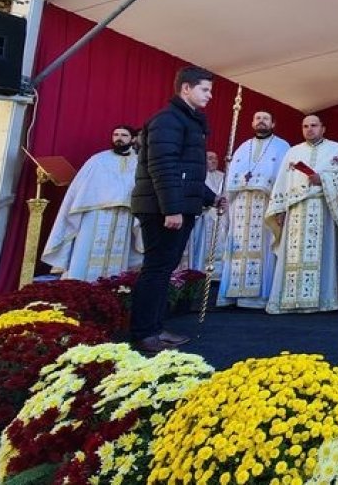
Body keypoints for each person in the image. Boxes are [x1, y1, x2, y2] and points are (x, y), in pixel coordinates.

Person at [130, 66, 225, 353]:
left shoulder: (186, 120)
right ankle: (144, 332)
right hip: (162, 209)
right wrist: (172, 209)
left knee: (164, 269)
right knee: (156, 269)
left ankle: (156, 327)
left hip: (176, 205)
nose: (209, 96)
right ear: (186, 88)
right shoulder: (167, 120)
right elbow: (163, 166)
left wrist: (210, 198)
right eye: (205, 90)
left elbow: (189, 173)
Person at [264, 115, 338, 314]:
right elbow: (282, 182)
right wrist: (280, 209)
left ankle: (322, 300)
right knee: (292, 256)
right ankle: (291, 299)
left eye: (314, 125)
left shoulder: (336, 149)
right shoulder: (293, 152)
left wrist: (323, 179)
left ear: (323, 128)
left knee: (323, 254)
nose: (309, 129)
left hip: (323, 209)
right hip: (295, 210)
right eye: (305, 126)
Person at [42, 125, 142, 281]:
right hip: (95, 214)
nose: (119, 138)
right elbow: (80, 188)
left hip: (124, 214)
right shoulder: (98, 160)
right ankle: (79, 285)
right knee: (85, 251)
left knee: (118, 255)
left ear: (133, 139)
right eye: (116, 134)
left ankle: (114, 288)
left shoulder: (139, 161)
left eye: (124, 135)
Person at [217, 111, 289, 309]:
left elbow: (284, 178)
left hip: (265, 204)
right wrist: (225, 197)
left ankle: (259, 297)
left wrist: (281, 206)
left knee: (264, 247)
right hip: (240, 204)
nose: (261, 122)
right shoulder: (242, 147)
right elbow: (231, 176)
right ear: (252, 122)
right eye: (257, 118)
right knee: (237, 246)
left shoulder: (282, 147)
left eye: (265, 119)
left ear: (273, 123)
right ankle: (233, 294)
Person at [184, 151, 228, 272]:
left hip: (220, 217)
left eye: (215, 158)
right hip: (203, 217)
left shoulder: (224, 176)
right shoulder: (198, 176)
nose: (213, 161)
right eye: (210, 158)